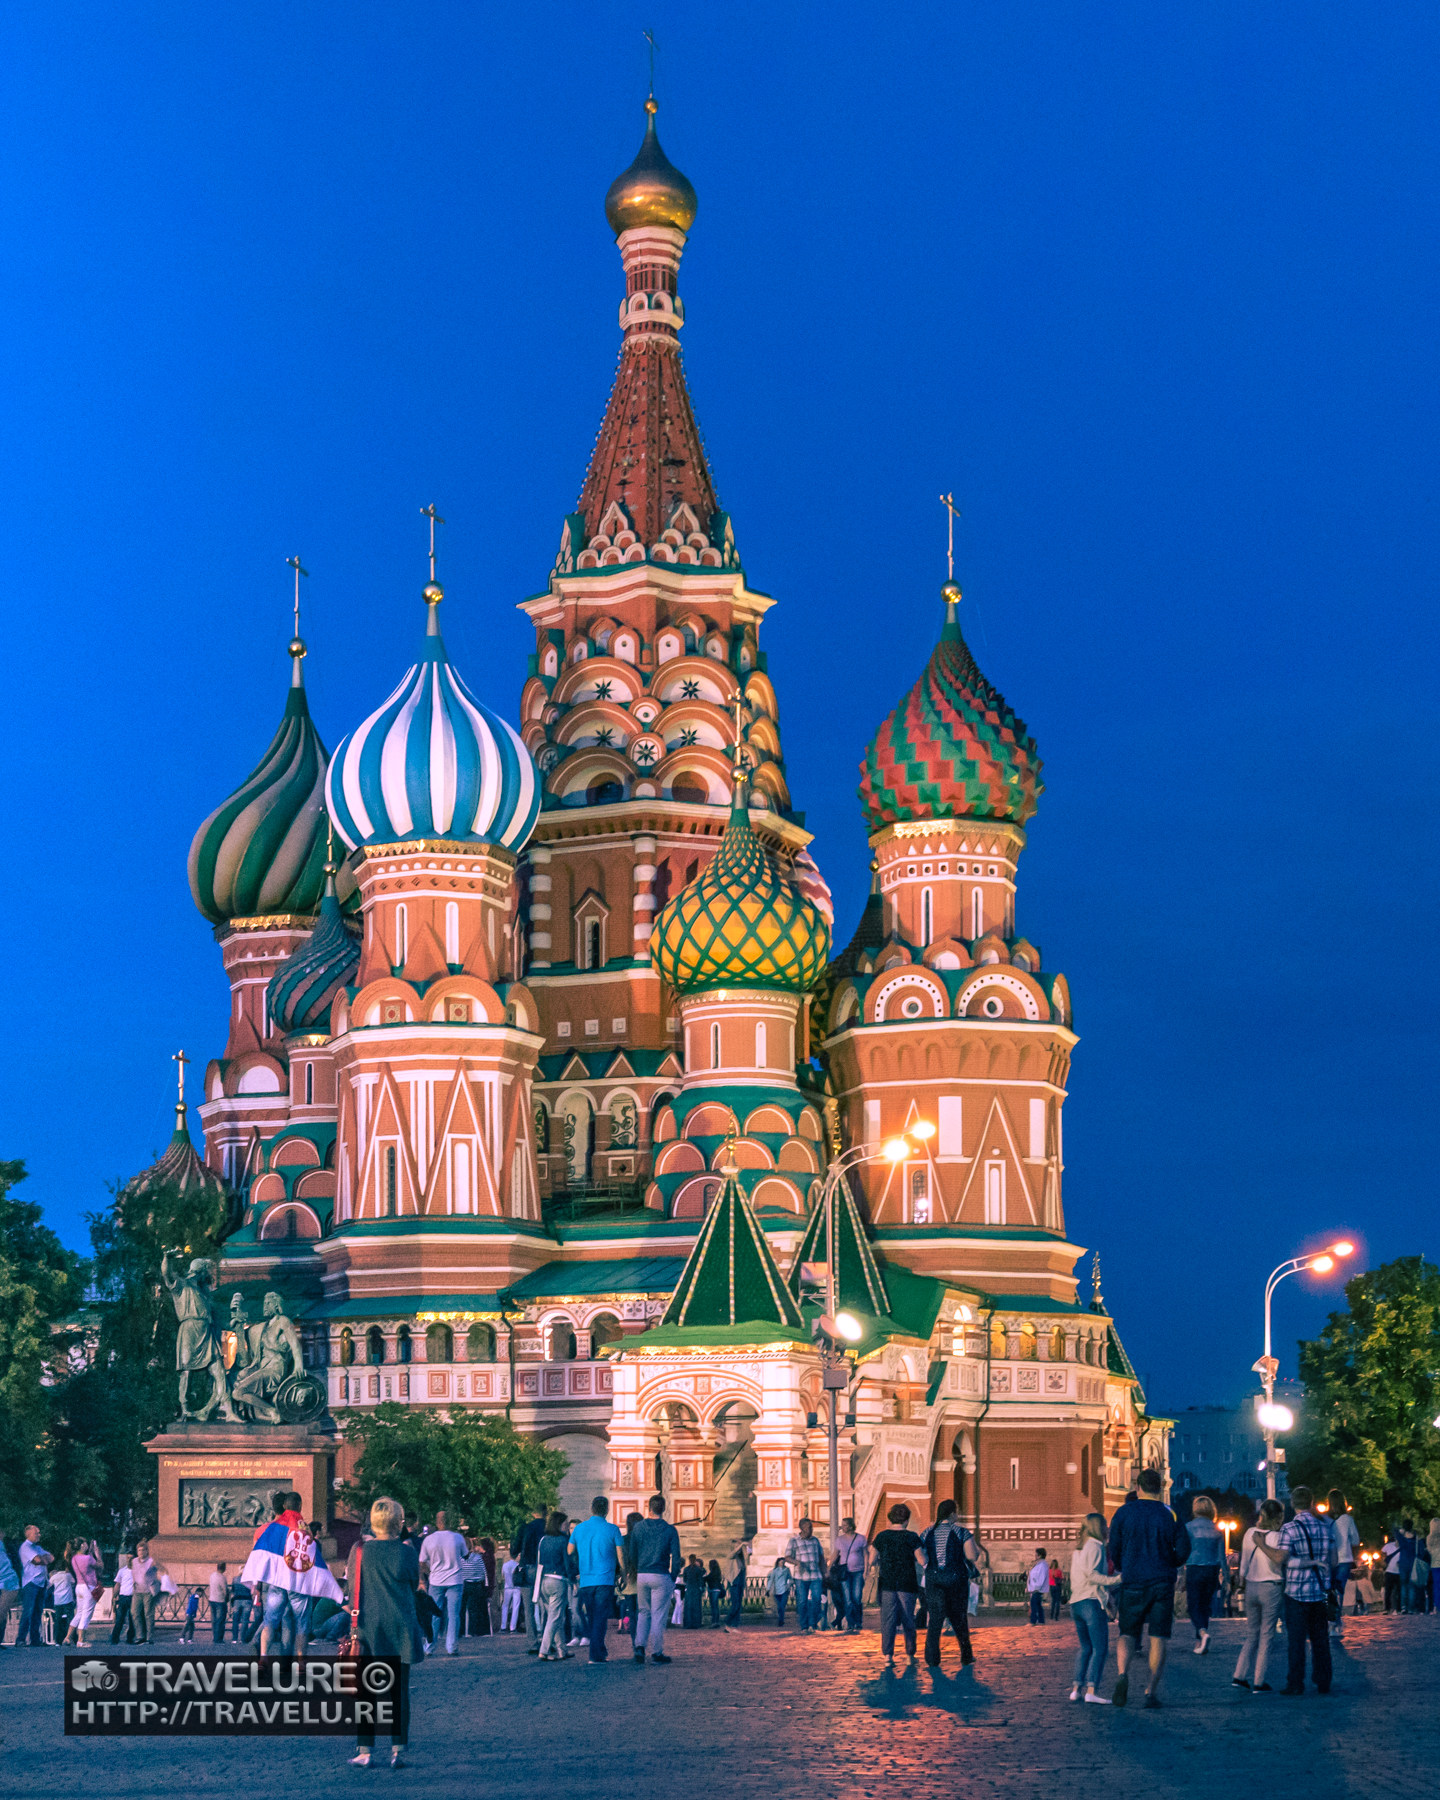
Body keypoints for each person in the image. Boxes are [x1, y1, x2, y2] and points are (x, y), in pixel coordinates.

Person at [347, 1495, 423, 1769]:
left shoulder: (359, 1551)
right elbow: (414, 1585)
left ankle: (365, 1751)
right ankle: (397, 1750)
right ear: (398, 1523)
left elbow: (352, 1590)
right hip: (401, 1627)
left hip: (369, 1629)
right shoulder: (407, 1551)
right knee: (399, 1693)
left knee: (367, 1694)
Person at [1106, 1465, 1191, 1709]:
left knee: (1127, 1632)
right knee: (1158, 1637)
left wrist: (1125, 1566)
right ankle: (1150, 1691)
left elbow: (1115, 1548)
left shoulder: (1123, 1513)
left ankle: (1122, 1674)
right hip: (1162, 1582)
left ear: (1138, 1487)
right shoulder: (1170, 1514)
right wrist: (1170, 1563)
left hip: (1132, 1581)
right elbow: (1184, 1549)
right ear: (1161, 1487)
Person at [241, 1488, 342, 1658]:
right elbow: (312, 1557)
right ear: (299, 1506)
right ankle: (295, 1663)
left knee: (270, 1621)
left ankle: (262, 1656)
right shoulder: (304, 1529)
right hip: (297, 1582)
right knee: (297, 1623)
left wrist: (255, 1582)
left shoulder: (270, 1528)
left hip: (273, 1581)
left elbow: (259, 1554)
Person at [1275, 1484, 1337, 1696]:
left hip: (1296, 1592)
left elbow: (1283, 1559)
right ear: (1312, 1503)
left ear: (1292, 1504)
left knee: (1296, 1641)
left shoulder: (1289, 1529)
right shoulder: (1326, 1527)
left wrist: (1303, 1562)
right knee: (1321, 1639)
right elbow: (1334, 1560)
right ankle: (1323, 1680)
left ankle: (1295, 1683)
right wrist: (1317, 1563)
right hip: (1320, 1591)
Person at [1231, 1499, 1285, 1692]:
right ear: (1278, 1517)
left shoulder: (1249, 1534)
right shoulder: (1278, 1537)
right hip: (1270, 1586)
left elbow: (1243, 1564)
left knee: (1252, 1633)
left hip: (1251, 1586)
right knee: (1267, 1634)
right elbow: (1280, 1563)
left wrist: (1241, 1584)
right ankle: (1259, 1680)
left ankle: (1239, 1674)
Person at [919, 1499, 978, 1669]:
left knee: (935, 1620)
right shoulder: (961, 1532)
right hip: (956, 1578)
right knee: (959, 1618)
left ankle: (932, 1658)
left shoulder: (928, 1532)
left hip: (934, 1578)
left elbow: (922, 1555)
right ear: (952, 1513)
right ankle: (966, 1655)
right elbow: (971, 1555)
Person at [1069, 1512, 1121, 1702]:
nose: (1107, 1528)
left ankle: (1076, 1689)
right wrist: (1118, 1579)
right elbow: (1093, 1576)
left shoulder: (1079, 1548)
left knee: (1085, 1648)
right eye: (1105, 1525)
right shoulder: (1097, 1546)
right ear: (1099, 1527)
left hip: (1076, 1602)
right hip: (1091, 1601)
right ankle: (1091, 1690)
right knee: (1100, 1649)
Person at [570, 1495, 627, 1663]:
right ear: (607, 1510)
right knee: (600, 1618)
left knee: (593, 1615)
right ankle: (595, 1654)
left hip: (586, 1579)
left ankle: (599, 1650)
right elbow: (620, 1555)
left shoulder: (579, 1529)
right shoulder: (613, 1529)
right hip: (605, 1579)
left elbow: (569, 1550)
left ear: (591, 1508)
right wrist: (623, 1573)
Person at [631, 1494, 683, 1665]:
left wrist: (636, 1569)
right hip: (661, 1574)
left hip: (642, 1574)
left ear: (649, 1507)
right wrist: (673, 1575)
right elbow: (676, 1557)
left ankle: (639, 1646)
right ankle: (657, 1652)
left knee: (643, 1612)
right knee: (658, 1616)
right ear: (664, 1509)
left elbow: (632, 1553)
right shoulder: (670, 1530)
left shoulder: (638, 1528)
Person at [870, 1502, 923, 1665]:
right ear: (906, 1520)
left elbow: (871, 1559)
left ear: (890, 1519)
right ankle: (909, 1656)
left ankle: (888, 1656)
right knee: (908, 1618)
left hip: (887, 1583)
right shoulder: (912, 1537)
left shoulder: (881, 1536)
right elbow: (922, 1559)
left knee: (888, 1619)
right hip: (907, 1583)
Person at [418, 1511, 468, 1657]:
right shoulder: (457, 1538)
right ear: (450, 1521)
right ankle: (451, 1647)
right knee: (453, 1615)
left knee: (434, 1614)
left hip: (436, 1580)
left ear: (437, 1521)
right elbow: (466, 1555)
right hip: (455, 1580)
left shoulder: (428, 1540)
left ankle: (429, 1646)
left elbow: (421, 1562)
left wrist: (431, 1572)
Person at [1183, 1497, 1226, 1654]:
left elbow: (1183, 1552)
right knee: (1205, 1606)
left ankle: (1202, 1633)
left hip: (1194, 1568)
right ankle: (1200, 1642)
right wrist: (1226, 1578)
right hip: (1212, 1570)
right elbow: (1222, 1557)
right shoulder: (1217, 1529)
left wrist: (1180, 1573)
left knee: (1194, 1605)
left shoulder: (1188, 1528)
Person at [515, 1504, 548, 1655]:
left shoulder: (525, 1528)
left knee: (528, 1608)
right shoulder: (549, 1528)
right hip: (545, 1569)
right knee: (546, 1606)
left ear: (533, 1513)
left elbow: (514, 1550)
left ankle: (533, 1643)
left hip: (528, 1568)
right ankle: (548, 1641)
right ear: (545, 1513)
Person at [1327, 1491, 1360, 1637]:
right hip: (1344, 1559)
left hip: (1328, 1559)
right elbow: (1355, 1540)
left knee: (1329, 1590)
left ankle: (1329, 1621)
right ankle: (1336, 1622)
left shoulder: (1325, 1519)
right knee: (1340, 1591)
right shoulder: (1347, 1519)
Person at [17, 1526, 54, 1648]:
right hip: (31, 1583)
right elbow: (38, 1560)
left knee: (37, 1612)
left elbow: (51, 1558)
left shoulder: (37, 1547)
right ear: (28, 1534)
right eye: (36, 1533)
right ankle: (20, 1639)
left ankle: (35, 1640)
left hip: (41, 1582)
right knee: (28, 1611)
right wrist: (43, 1559)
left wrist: (43, 1559)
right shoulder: (26, 1547)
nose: (39, 1534)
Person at [786, 1518, 825, 1634]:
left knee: (817, 1599)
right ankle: (804, 1625)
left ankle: (813, 1623)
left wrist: (825, 1571)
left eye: (811, 1527)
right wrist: (797, 1562)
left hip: (815, 1575)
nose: (811, 1529)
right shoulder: (794, 1541)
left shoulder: (815, 1541)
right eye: (809, 1527)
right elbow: (787, 1557)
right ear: (802, 1528)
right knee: (802, 1601)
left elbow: (821, 1557)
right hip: (801, 1576)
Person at [65, 1540, 101, 1648]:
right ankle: (81, 1641)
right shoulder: (89, 1558)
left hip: (79, 1587)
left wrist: (89, 1552)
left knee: (79, 1613)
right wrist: (97, 1553)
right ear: (82, 1545)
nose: (86, 1545)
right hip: (89, 1588)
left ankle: (67, 1637)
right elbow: (100, 1565)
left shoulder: (74, 1558)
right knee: (86, 1614)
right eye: (85, 1543)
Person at [835, 1518, 868, 1632]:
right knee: (848, 1598)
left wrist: (866, 1570)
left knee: (857, 1597)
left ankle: (858, 1622)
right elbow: (835, 1554)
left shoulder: (860, 1538)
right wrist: (829, 1568)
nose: (842, 1527)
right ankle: (850, 1623)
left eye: (844, 1525)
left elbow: (865, 1554)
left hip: (858, 1571)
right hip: (845, 1572)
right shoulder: (840, 1540)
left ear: (850, 1526)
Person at [129, 1540, 160, 1644]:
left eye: (143, 1550)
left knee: (148, 1614)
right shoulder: (134, 1561)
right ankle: (139, 1636)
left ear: (147, 1551)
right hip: (137, 1591)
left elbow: (158, 1569)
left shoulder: (151, 1561)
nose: (141, 1552)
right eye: (139, 1550)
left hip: (148, 1591)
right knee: (134, 1612)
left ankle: (149, 1637)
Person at [459, 1538, 489, 1638]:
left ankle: (461, 1630)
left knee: (461, 1609)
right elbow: (482, 1572)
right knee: (474, 1609)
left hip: (463, 1584)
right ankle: (473, 1630)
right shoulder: (477, 1558)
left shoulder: (459, 1559)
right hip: (475, 1585)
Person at [109, 1554, 136, 1645]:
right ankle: (115, 1638)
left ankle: (130, 1638)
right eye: (128, 1558)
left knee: (132, 1619)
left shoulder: (137, 1571)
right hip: (123, 1597)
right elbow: (118, 1584)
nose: (129, 1560)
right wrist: (114, 1596)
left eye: (131, 1558)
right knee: (120, 1618)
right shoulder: (122, 1571)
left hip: (134, 1597)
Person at [50, 1550, 77, 1644]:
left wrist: (51, 1575)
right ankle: (73, 1639)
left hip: (57, 1601)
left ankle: (58, 1641)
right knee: (71, 1620)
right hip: (68, 1600)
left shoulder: (54, 1576)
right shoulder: (68, 1575)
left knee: (57, 1621)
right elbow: (73, 1583)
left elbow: (48, 1585)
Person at [724, 1539, 749, 1630]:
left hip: (740, 1582)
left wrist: (745, 1546)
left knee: (738, 1605)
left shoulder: (742, 1559)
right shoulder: (731, 1557)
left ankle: (735, 1625)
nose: (737, 1549)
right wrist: (741, 1543)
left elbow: (749, 1552)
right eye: (735, 1547)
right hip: (734, 1583)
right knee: (735, 1605)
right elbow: (732, 1553)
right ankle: (728, 1623)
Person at [1026, 1549, 1050, 1625]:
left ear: (1040, 1556)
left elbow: (1041, 1577)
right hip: (1035, 1588)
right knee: (1038, 1605)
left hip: (1037, 1589)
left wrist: (1036, 1587)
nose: (1035, 1556)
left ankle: (1033, 1621)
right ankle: (1041, 1620)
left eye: (1036, 1555)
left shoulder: (1043, 1565)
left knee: (1034, 1604)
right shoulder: (1038, 1564)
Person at [682, 1555, 706, 1628]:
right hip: (696, 1589)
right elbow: (700, 1580)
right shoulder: (699, 1569)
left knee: (688, 1606)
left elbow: (684, 1579)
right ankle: (696, 1623)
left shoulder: (686, 1569)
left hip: (689, 1588)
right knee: (696, 1606)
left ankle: (688, 1623)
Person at [767, 1557, 793, 1625]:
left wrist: (789, 1585)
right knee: (779, 1607)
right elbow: (771, 1580)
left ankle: (781, 1620)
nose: (783, 1563)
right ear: (778, 1563)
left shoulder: (787, 1569)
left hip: (784, 1589)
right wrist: (768, 1589)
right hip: (776, 1590)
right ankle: (780, 1617)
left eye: (784, 1562)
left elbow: (790, 1578)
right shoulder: (775, 1571)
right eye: (781, 1562)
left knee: (782, 1606)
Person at [500, 1553, 522, 1631]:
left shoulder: (505, 1565)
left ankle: (503, 1626)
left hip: (507, 1587)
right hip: (517, 1588)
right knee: (515, 1607)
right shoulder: (518, 1565)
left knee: (505, 1606)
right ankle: (513, 1627)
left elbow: (503, 1577)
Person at [207, 1562, 228, 1642]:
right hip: (220, 1601)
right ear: (224, 1568)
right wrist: (227, 1598)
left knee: (214, 1620)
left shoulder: (212, 1575)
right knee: (220, 1621)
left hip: (212, 1599)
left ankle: (214, 1636)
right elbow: (225, 1590)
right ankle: (218, 1638)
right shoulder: (222, 1577)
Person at [229, 1574, 253, 1643]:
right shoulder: (250, 1579)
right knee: (245, 1620)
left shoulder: (235, 1579)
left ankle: (234, 1638)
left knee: (235, 1620)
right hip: (247, 1600)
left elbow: (233, 1589)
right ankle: (242, 1638)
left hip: (237, 1600)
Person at [1382, 1532, 1402, 1612]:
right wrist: (1383, 1564)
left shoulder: (1404, 1546)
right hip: (1389, 1571)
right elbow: (1382, 1555)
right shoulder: (1388, 1546)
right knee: (1388, 1591)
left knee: (1399, 1591)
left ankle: (1398, 1608)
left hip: (1399, 1572)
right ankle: (1387, 1608)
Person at [706, 1559, 725, 1627]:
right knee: (715, 1606)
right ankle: (716, 1621)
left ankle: (714, 1621)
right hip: (717, 1589)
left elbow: (709, 1579)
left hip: (713, 1590)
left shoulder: (713, 1573)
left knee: (714, 1606)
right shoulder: (717, 1572)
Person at [1429, 1520, 1440, 1615]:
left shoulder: (1430, 1538)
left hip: (1435, 1564)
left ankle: (1436, 1607)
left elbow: (1429, 1550)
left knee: (1436, 1586)